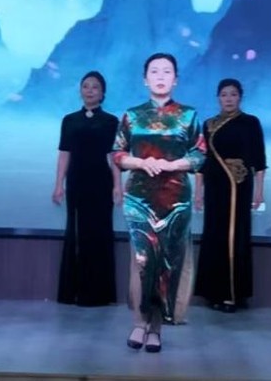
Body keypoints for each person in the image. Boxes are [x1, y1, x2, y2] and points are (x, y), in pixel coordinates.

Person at [111, 53, 205, 353]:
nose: (160, 76)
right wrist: (141, 162)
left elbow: (199, 154)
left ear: (175, 79)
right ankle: (138, 323)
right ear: (145, 79)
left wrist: (173, 165)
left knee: (166, 262)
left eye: (167, 71)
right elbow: (118, 153)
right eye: (154, 71)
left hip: (175, 198)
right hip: (139, 196)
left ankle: (156, 328)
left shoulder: (188, 115)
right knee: (142, 260)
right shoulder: (132, 115)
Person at [194, 78, 267, 312]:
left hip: (239, 186)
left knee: (236, 235)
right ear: (218, 98)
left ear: (240, 97)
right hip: (214, 186)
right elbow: (202, 161)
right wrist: (198, 192)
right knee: (214, 234)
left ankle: (233, 294)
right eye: (224, 95)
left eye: (233, 94)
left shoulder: (250, 123)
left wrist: (259, 191)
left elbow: (259, 160)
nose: (228, 99)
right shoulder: (209, 124)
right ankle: (214, 293)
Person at [53, 70, 121, 307]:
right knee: (76, 231)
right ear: (80, 91)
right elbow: (64, 154)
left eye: (95, 87)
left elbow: (114, 156)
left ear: (102, 93)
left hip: (101, 181)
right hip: (76, 181)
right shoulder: (69, 120)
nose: (90, 90)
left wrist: (118, 186)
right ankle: (74, 292)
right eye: (86, 86)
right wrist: (58, 184)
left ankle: (99, 293)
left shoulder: (111, 121)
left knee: (100, 232)